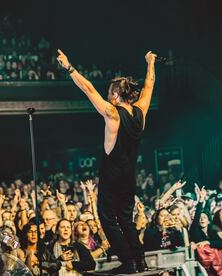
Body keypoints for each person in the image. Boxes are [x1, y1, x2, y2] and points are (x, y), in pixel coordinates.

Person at [57, 49, 156, 273]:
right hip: (130, 177)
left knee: (108, 220)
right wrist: (150, 63)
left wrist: (69, 67)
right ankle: (140, 261)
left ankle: (128, 262)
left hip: (112, 178)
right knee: (127, 220)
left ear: (114, 95)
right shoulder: (140, 111)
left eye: (109, 92)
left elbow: (88, 88)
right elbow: (149, 85)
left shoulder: (112, 113)